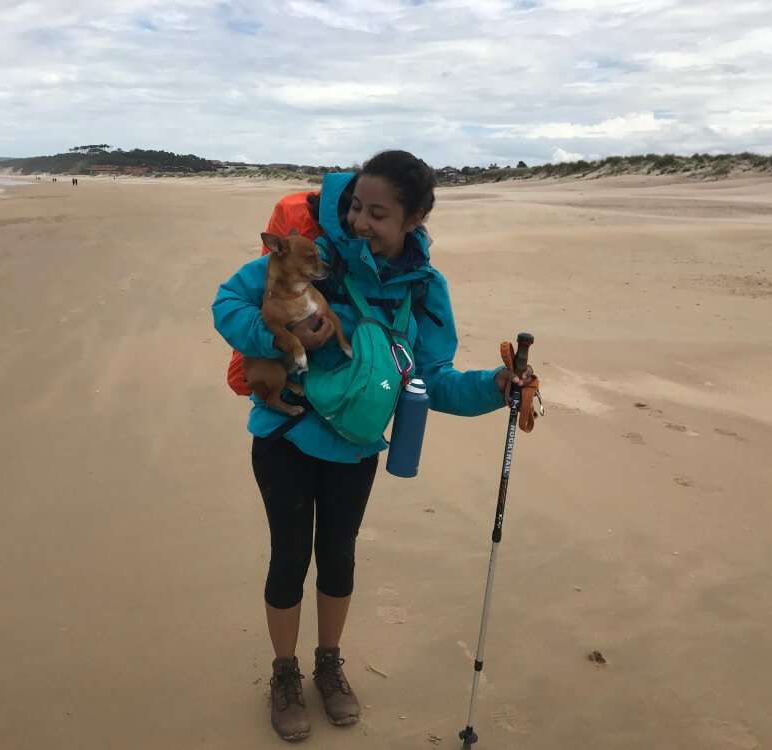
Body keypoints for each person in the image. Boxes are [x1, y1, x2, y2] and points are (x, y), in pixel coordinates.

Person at [211, 150, 534, 742]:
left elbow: (430, 378)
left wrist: (495, 388)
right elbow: (227, 303)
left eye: (378, 213)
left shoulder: (424, 289)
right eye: (356, 205)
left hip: (356, 447)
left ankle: (328, 665)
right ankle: (285, 674)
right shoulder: (315, 252)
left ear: (413, 219)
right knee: (289, 557)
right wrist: (279, 332)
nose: (360, 221)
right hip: (285, 434)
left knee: (338, 556)